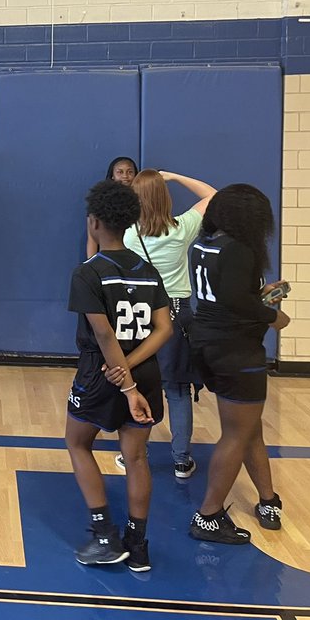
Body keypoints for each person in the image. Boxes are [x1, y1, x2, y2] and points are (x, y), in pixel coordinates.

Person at [65, 180, 172, 571]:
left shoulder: (88, 272)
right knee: (137, 456)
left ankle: (105, 537)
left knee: (77, 443)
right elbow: (164, 328)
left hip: (102, 373)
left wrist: (125, 384)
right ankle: (138, 545)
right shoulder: (149, 270)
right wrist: (132, 369)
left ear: (94, 222)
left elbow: (105, 334)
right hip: (145, 371)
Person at [188, 184, 290, 545]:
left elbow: (224, 294)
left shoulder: (205, 243)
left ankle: (267, 499)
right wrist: (273, 315)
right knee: (236, 433)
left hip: (207, 344)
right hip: (236, 351)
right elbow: (234, 299)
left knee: (248, 428)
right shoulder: (240, 248)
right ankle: (208, 516)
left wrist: (258, 296)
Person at [120, 169, 216, 480]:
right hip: (176, 312)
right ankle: (181, 460)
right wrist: (174, 176)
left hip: (141, 312)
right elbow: (213, 196)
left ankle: (136, 452)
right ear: (165, 198)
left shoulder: (129, 234)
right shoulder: (182, 228)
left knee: (141, 384)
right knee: (177, 389)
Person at [86, 156, 138, 259]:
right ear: (112, 176)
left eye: (130, 172)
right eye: (120, 172)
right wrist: (91, 263)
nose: (125, 176)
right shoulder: (100, 201)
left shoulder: (142, 200)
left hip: (135, 260)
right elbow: (92, 240)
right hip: (108, 260)